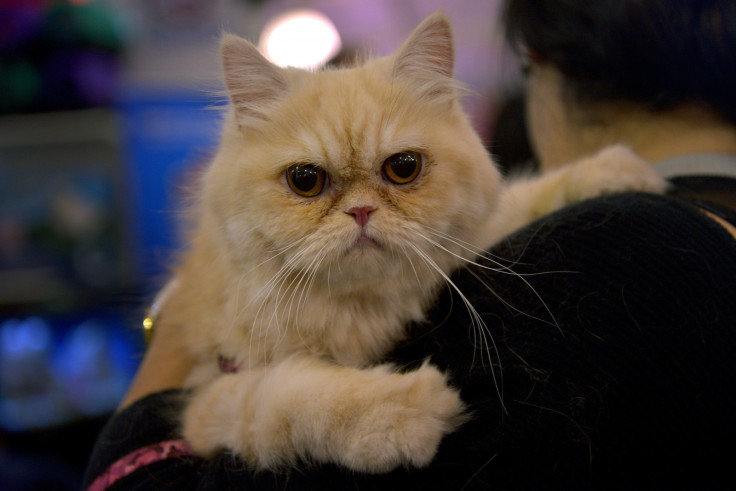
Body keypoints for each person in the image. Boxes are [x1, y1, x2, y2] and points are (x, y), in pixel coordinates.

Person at [83, 1, 736, 489]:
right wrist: (328, 412)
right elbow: (217, 406)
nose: (361, 208)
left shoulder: (622, 256)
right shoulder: (249, 295)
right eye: (308, 180)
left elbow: (473, 221)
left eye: (401, 170)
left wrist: (553, 194)